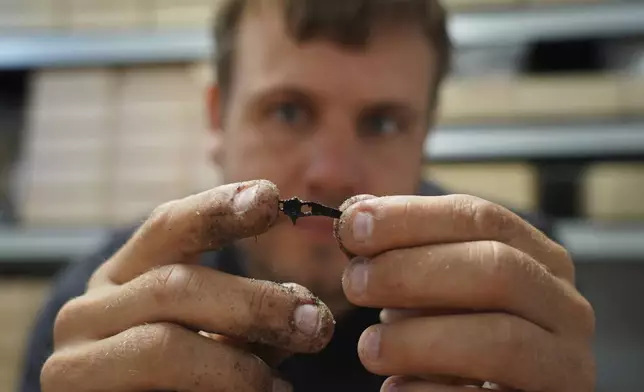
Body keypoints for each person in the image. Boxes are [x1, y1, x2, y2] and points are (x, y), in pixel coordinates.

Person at [20, 1, 596, 391]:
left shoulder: (509, 284)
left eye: (383, 123)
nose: (332, 173)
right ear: (218, 120)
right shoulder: (106, 313)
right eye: (289, 111)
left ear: (425, 134)